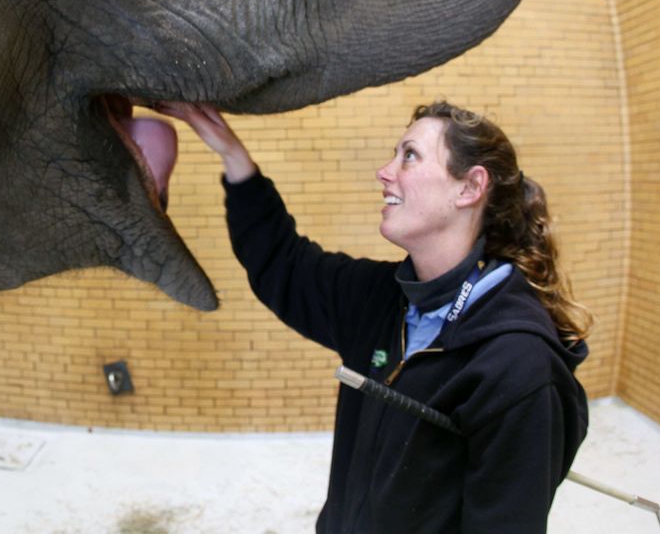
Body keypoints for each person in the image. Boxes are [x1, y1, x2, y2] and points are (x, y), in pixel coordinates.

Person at [157, 100, 591, 534]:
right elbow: (284, 264)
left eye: (410, 155)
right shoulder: (384, 299)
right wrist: (232, 155)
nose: (385, 171)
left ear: (469, 188)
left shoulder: (519, 366)